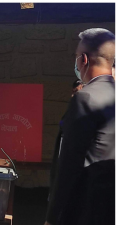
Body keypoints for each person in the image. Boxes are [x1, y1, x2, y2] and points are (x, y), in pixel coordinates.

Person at [45, 28, 115, 225]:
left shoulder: (85, 98)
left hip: (85, 207)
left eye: (76, 57)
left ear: (83, 59)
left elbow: (69, 163)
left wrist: (53, 217)